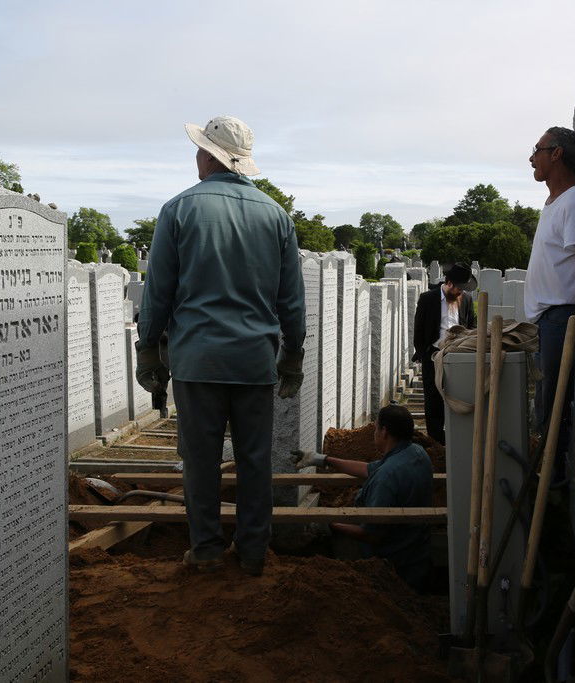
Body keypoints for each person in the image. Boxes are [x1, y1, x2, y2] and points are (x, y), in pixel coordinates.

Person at [137, 115, 306, 576]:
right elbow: (291, 299)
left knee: (200, 463)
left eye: (198, 149)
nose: (194, 156)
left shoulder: (178, 209)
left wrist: (148, 348)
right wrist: (293, 355)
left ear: (211, 155)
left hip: (197, 359)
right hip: (254, 361)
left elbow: (158, 292)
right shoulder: (276, 215)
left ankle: (207, 550)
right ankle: (253, 553)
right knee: (255, 462)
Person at [524, 126, 575, 479]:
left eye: (537, 150)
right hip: (547, 320)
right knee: (545, 403)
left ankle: (550, 485)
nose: (531, 158)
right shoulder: (555, 202)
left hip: (562, 319)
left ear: (556, 154)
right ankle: (546, 478)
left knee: (554, 407)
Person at [294, 404, 434, 592]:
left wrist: (330, 523)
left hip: (393, 564)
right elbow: (367, 469)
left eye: (376, 427)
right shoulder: (416, 453)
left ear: (384, 432)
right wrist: (321, 459)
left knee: (326, 543)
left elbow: (371, 535)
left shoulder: (386, 478)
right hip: (417, 553)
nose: (373, 432)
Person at [411, 263, 477, 445]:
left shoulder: (467, 300)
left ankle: (457, 440)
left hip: (458, 355)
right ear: (448, 282)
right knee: (433, 400)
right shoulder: (427, 299)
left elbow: (472, 326)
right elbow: (419, 329)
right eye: (458, 288)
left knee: (457, 396)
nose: (460, 293)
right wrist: (424, 353)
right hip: (434, 355)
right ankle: (437, 443)